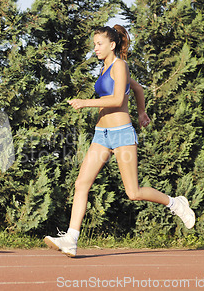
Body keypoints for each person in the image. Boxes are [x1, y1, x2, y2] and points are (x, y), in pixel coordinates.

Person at [44, 25, 195, 257]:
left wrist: (86, 102)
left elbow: (116, 99)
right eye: (94, 44)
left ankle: (175, 204)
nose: (95, 48)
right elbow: (136, 88)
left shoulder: (120, 66)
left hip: (122, 134)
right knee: (81, 184)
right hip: (101, 135)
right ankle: (71, 239)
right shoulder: (106, 67)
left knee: (132, 192)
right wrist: (142, 111)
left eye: (99, 44)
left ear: (112, 45)